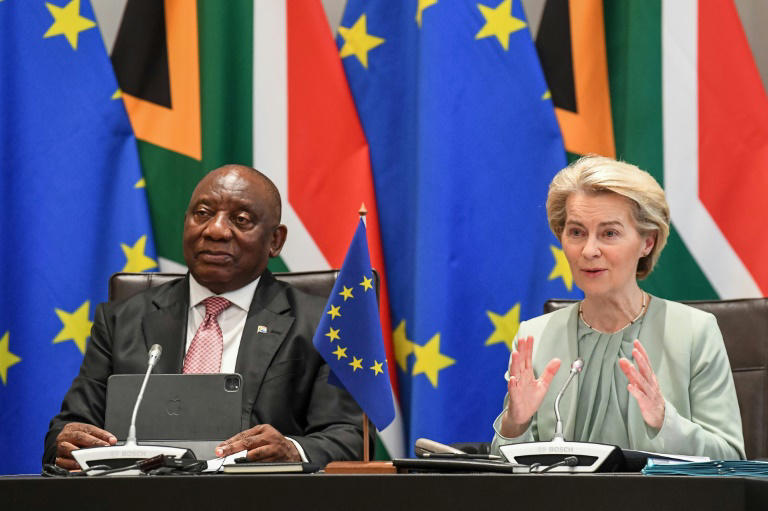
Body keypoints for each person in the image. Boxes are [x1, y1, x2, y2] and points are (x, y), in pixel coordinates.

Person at [44, 164, 366, 469]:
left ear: (275, 240)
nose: (215, 230)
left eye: (240, 219)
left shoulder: (322, 325)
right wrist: (69, 443)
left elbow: (350, 439)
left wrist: (292, 450)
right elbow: (66, 431)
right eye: (202, 214)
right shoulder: (120, 321)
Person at [491, 155, 745, 459]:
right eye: (576, 232)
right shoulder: (534, 337)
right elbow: (504, 471)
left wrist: (666, 421)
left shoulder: (695, 332)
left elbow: (730, 459)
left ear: (647, 243)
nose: (589, 250)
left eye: (609, 233)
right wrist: (515, 424)